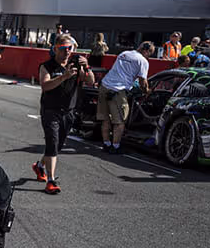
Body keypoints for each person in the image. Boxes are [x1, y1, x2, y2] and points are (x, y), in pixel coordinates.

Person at [33, 34, 93, 195]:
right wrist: (64, 76)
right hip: (50, 110)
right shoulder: (47, 66)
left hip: (68, 111)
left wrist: (87, 67)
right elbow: (45, 86)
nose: (67, 51)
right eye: (63, 48)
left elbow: (90, 81)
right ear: (55, 49)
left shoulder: (75, 64)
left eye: (69, 48)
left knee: (57, 146)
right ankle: (51, 181)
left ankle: (39, 166)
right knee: (52, 143)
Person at [98, 41, 153, 153]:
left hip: (104, 86)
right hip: (118, 90)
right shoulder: (143, 61)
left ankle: (106, 144)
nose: (149, 56)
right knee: (120, 121)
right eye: (150, 54)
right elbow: (143, 82)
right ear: (147, 51)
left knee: (105, 119)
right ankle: (115, 147)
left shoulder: (124, 53)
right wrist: (147, 91)